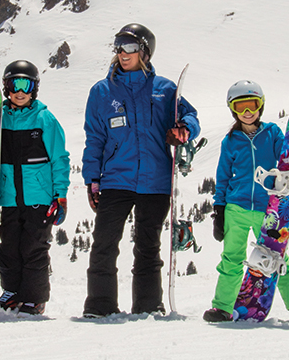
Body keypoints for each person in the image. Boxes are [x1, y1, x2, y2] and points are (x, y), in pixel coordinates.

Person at [81, 23, 201, 318]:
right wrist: (92, 179)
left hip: (155, 179)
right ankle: (100, 305)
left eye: (131, 47)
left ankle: (148, 305)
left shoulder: (163, 89)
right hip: (116, 180)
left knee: (148, 246)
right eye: (119, 46)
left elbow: (190, 116)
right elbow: (94, 137)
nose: (124, 53)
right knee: (104, 244)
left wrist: (184, 130)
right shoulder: (102, 91)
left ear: (145, 51)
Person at [203, 80, 289, 322]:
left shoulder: (272, 133)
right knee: (232, 259)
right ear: (233, 110)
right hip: (236, 208)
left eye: (252, 105)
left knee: (276, 256)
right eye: (241, 107)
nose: (247, 112)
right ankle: (223, 307)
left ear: (261, 106)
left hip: (267, 208)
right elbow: (223, 176)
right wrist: (219, 211)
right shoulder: (230, 141)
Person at [0, 60, 70, 315]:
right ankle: (11, 291)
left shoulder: (44, 118)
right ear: (6, 87)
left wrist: (60, 196)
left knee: (34, 247)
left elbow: (60, 159)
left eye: (26, 84)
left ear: (35, 88)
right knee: (9, 247)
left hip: (39, 198)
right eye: (14, 84)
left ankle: (33, 298)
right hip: (8, 198)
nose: (20, 91)